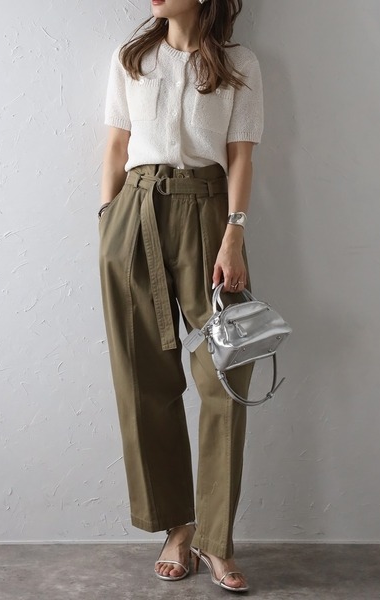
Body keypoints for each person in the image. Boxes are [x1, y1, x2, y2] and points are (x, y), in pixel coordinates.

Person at [98, 0, 263, 592]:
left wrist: (233, 235)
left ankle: (216, 538)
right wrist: (107, 222)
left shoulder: (239, 64)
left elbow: (241, 156)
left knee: (226, 375)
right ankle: (177, 527)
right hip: (134, 211)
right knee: (144, 377)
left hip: (209, 213)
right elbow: (116, 145)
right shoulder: (132, 59)